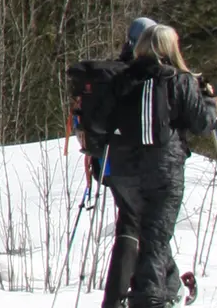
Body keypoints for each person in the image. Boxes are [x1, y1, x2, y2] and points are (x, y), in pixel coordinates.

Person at [103, 25, 217, 308]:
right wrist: (214, 105)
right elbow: (202, 123)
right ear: (171, 48)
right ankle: (151, 298)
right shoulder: (179, 80)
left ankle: (168, 287)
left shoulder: (121, 79)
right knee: (156, 237)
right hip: (164, 171)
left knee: (151, 234)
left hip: (126, 170)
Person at [95, 16, 160, 308]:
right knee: (148, 227)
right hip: (140, 165)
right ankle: (149, 295)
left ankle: (117, 299)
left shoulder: (114, 73)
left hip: (111, 163)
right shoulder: (147, 74)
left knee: (131, 225)